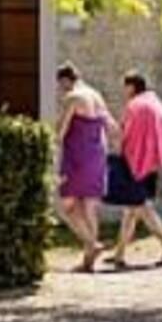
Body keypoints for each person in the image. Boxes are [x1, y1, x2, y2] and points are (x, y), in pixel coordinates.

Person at [106, 69, 162, 268]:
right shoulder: (155, 103)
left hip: (135, 163)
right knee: (131, 209)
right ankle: (119, 254)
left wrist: (115, 145)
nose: (124, 91)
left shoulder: (135, 106)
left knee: (141, 207)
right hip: (151, 162)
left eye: (125, 86)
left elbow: (126, 133)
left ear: (132, 87)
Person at [54, 63, 116, 273]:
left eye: (61, 85)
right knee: (89, 206)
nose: (61, 90)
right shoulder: (96, 95)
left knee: (67, 206)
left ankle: (92, 243)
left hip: (77, 156)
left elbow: (60, 131)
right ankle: (88, 263)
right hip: (97, 154)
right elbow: (111, 125)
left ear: (65, 80)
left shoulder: (73, 97)